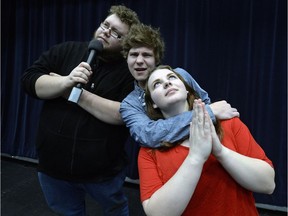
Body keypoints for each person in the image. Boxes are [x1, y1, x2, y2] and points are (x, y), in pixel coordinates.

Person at [21, 5, 140, 216]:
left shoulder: (129, 72)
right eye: (106, 25)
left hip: (103, 173)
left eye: (116, 33)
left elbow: (122, 114)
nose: (106, 32)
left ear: (125, 45)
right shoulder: (66, 50)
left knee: (115, 210)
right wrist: (65, 82)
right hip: (53, 168)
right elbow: (30, 81)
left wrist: (71, 93)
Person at [138, 65, 275, 216]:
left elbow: (268, 184)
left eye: (172, 77)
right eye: (156, 84)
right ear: (154, 104)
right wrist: (195, 158)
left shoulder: (228, 124)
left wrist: (220, 151)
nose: (166, 83)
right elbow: (158, 213)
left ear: (187, 89)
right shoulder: (149, 151)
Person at [120, 23, 239, 148]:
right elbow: (148, 135)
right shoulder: (129, 104)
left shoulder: (180, 75)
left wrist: (208, 112)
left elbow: (204, 103)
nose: (139, 61)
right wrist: (208, 113)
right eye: (134, 54)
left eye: (146, 55)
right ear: (126, 58)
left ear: (156, 58)